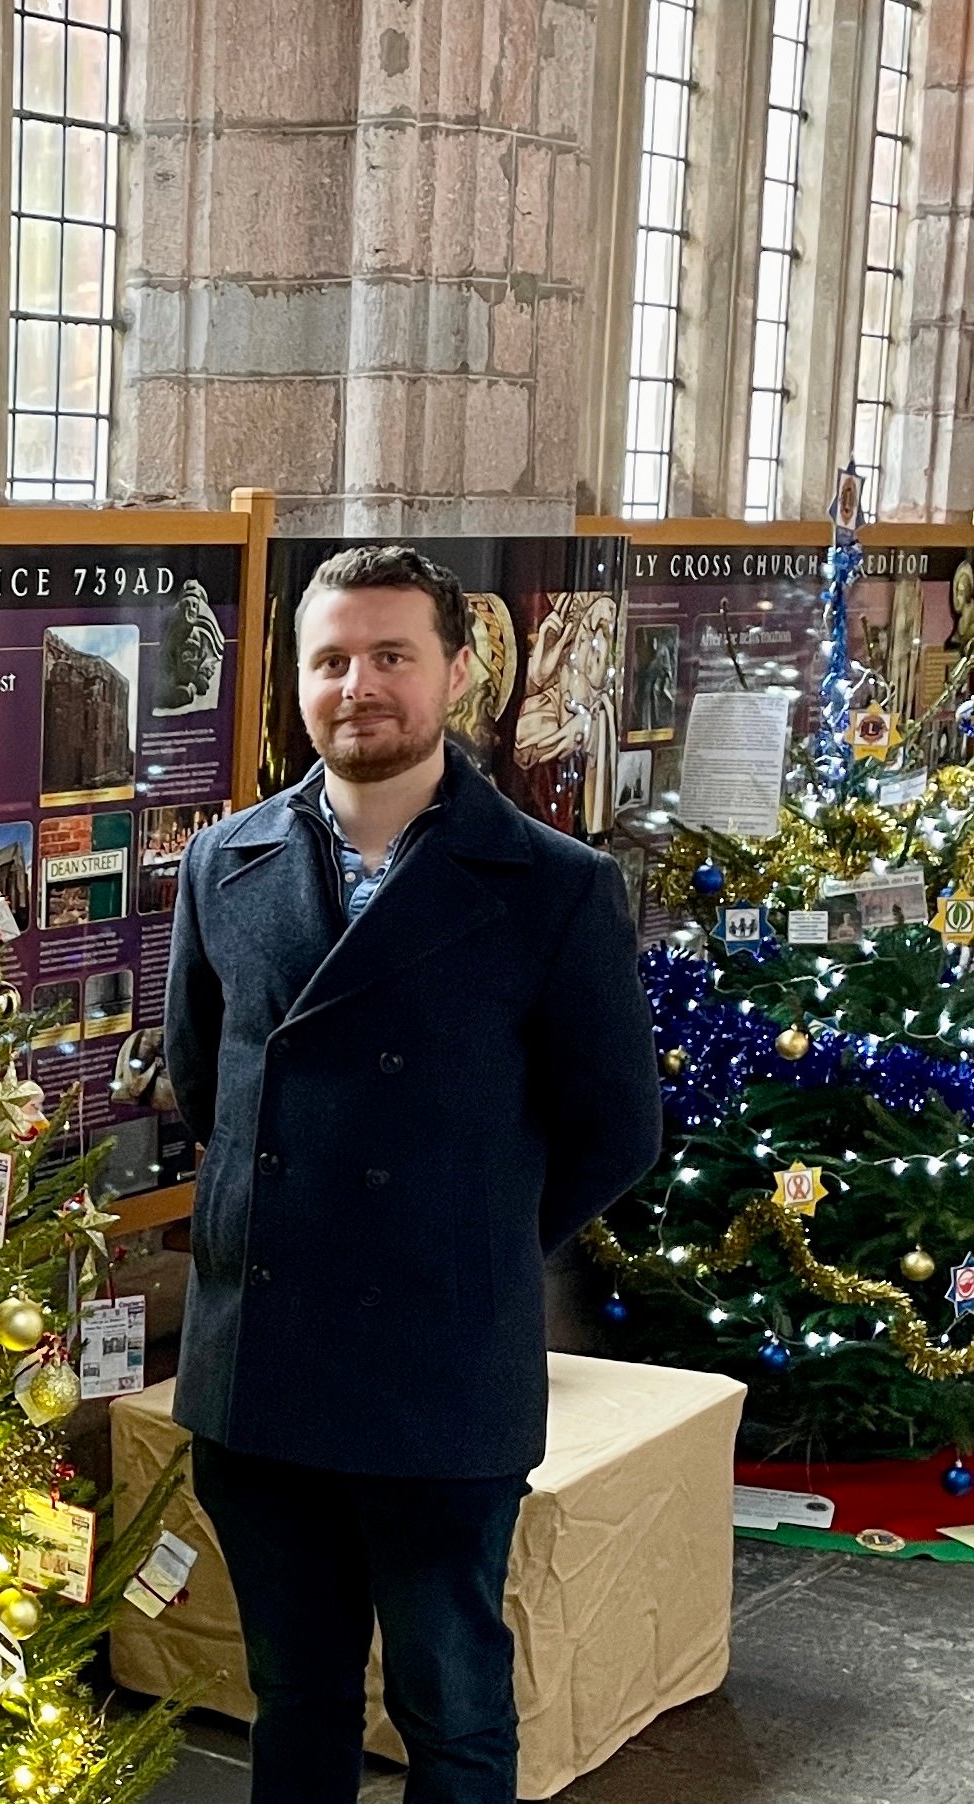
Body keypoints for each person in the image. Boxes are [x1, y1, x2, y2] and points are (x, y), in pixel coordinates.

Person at [162, 546, 658, 1804]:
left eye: (392, 655)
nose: (359, 686)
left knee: (452, 1703)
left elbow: (617, 1128)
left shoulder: (555, 886)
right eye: (331, 659)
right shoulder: (224, 862)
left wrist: (459, 1232)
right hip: (263, 1366)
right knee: (295, 1694)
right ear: (296, 679)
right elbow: (207, 1084)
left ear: (458, 669)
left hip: (441, 1367)